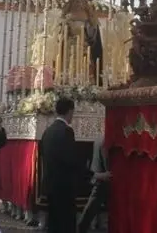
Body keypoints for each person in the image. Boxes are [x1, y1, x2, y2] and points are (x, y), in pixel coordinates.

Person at [40, 98, 110, 233]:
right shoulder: (66, 131)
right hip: (64, 187)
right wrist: (95, 175)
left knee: (54, 224)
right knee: (66, 225)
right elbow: (72, 161)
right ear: (70, 111)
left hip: (50, 185)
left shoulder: (47, 131)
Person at [77, 137, 109, 233]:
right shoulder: (105, 141)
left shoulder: (99, 140)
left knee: (91, 208)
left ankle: (80, 228)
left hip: (99, 177)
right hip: (105, 178)